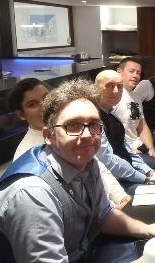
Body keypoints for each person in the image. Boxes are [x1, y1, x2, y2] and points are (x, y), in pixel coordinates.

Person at [0, 78, 155, 263]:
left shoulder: (87, 162)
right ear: (48, 135)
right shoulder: (31, 192)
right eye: (72, 126)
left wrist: (147, 229)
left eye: (94, 124)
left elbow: (102, 215)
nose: (87, 135)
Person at [8, 78, 132, 208]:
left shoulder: (73, 128)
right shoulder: (27, 156)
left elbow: (97, 167)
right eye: (33, 104)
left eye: (46, 97)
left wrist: (121, 197)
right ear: (21, 114)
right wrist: (111, 211)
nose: (44, 105)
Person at [95, 70, 155, 185]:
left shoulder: (111, 115)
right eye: (110, 85)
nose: (116, 91)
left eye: (119, 86)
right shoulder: (94, 119)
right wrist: (143, 178)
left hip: (128, 170)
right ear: (95, 88)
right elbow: (108, 161)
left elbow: (127, 149)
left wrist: (148, 172)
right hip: (112, 181)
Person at [113, 57, 155, 159]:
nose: (135, 76)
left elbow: (143, 126)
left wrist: (151, 148)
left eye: (138, 73)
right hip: (127, 151)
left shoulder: (135, 96)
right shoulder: (113, 96)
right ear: (119, 72)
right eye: (131, 71)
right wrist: (126, 149)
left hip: (141, 145)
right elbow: (108, 132)